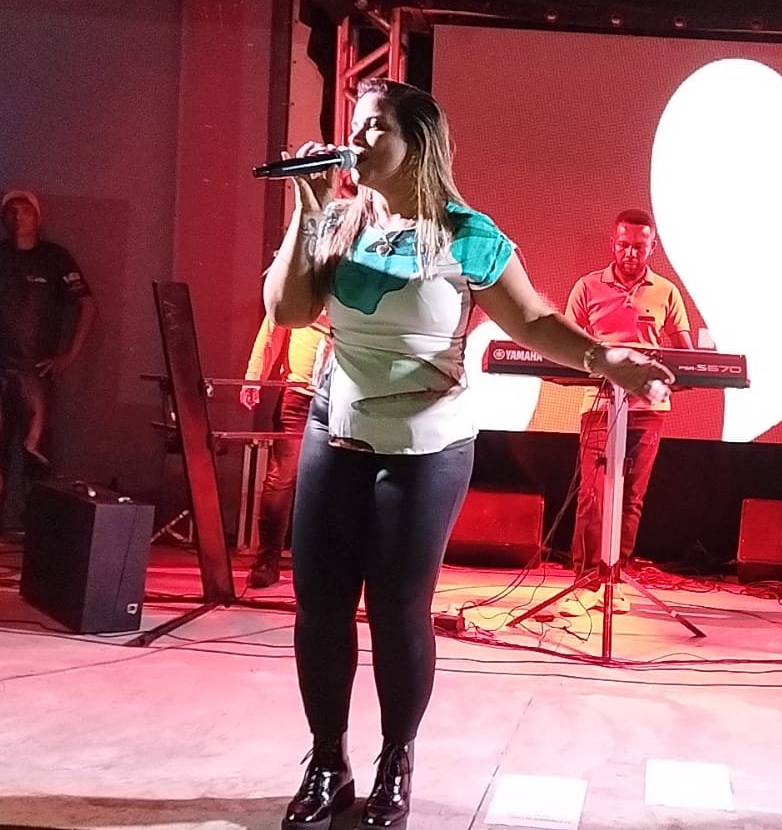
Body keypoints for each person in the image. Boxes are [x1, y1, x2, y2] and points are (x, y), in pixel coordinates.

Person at [265, 78, 672, 830]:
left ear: (416, 142)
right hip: (335, 426)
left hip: (424, 444)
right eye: (354, 125)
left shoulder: (466, 233)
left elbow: (536, 319)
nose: (355, 140)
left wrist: (606, 359)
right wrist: (306, 208)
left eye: (374, 127)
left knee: (396, 608)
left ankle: (395, 761)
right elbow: (288, 309)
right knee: (320, 605)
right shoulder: (340, 220)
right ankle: (327, 761)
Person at [561, 209, 692, 616]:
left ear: (652, 247)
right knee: (593, 496)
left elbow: (685, 355)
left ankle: (613, 581)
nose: (631, 253)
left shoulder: (666, 291)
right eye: (623, 245)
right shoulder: (587, 287)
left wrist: (665, 370)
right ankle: (586, 582)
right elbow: (565, 347)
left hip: (648, 410)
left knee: (630, 498)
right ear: (613, 243)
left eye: (639, 246)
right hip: (600, 406)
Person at [0, 190, 95, 533]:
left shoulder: (55, 258)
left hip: (36, 368)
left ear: (37, 218)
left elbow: (88, 305)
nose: (18, 218)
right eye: (11, 212)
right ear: (3, 218)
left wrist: (68, 356)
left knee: (36, 446)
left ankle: (40, 523)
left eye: (25, 212)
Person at [238, 311, 330, 588]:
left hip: (342, 395)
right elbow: (273, 328)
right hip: (299, 394)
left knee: (335, 482)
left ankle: (325, 565)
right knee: (281, 478)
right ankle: (267, 561)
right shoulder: (302, 291)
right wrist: (254, 376)